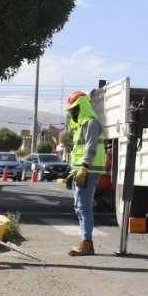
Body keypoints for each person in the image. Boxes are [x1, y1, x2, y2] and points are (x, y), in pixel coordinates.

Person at [63, 90, 106, 256]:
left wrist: (84, 167)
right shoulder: (81, 126)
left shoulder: (91, 123)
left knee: (84, 207)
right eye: (71, 110)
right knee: (79, 207)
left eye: (74, 109)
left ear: (82, 107)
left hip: (88, 170)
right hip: (81, 170)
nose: (72, 113)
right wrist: (74, 171)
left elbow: (91, 147)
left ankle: (87, 242)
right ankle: (85, 241)